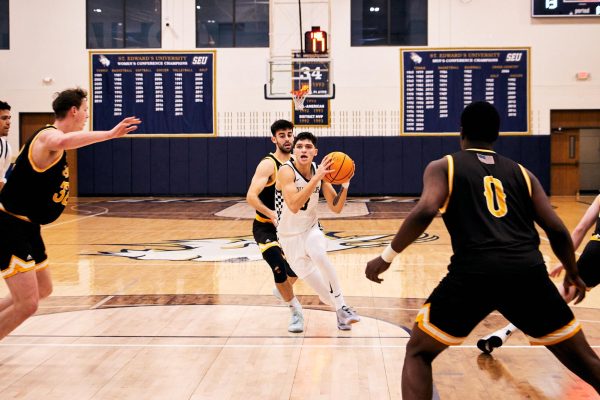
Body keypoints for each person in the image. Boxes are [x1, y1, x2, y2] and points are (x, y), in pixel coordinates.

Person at [365, 101, 600, 398]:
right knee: (587, 362)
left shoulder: (444, 166)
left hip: (473, 274)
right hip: (527, 274)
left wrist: (386, 257)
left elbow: (425, 210)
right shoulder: (523, 174)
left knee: (418, 353)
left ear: (460, 132)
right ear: (497, 135)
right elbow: (556, 228)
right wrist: (573, 271)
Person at [0, 88, 140, 340]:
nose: (86, 116)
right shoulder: (47, 136)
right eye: (85, 110)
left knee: (43, 288)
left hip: (29, 227)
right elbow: (61, 142)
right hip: (10, 225)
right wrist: (109, 134)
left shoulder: (53, 140)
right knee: (27, 304)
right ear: (74, 111)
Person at [477, 193, 600, 354]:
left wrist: (565, 261)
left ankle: (505, 331)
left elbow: (580, 229)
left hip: (596, 251)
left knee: (558, 297)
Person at [276, 131, 360, 330]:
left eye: (307, 147)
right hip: (289, 238)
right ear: (294, 151)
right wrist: (318, 178)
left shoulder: (319, 171)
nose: (303, 150)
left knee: (319, 253)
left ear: (315, 152)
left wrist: (345, 185)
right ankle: (340, 312)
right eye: (299, 146)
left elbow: (336, 207)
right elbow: (294, 205)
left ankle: (343, 308)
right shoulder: (286, 171)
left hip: (311, 228)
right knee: (324, 294)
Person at [246, 119, 304, 333]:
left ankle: (283, 289)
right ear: (274, 139)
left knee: (300, 269)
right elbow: (251, 196)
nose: (287, 138)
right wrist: (271, 214)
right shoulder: (268, 164)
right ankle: (296, 312)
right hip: (266, 227)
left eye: (290, 134)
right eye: (282, 135)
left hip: (292, 228)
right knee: (278, 267)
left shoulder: (298, 163)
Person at [0, 100, 13, 190]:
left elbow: (1, 180)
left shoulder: (6, 147)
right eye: (4, 118)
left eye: (9, 118)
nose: (8, 122)